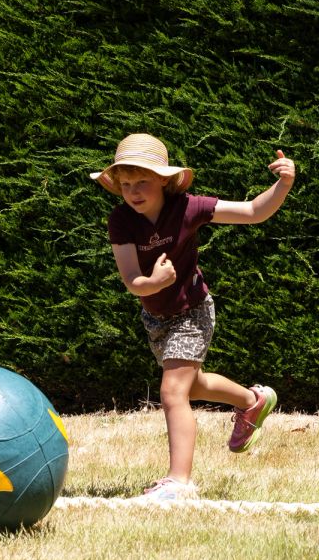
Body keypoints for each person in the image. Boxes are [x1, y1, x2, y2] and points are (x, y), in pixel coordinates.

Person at [91, 133, 296, 500]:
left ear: (165, 180)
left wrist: (283, 183)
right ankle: (253, 402)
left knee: (172, 391)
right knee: (192, 386)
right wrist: (152, 282)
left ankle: (179, 482)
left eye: (143, 181)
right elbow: (132, 281)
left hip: (193, 310)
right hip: (156, 318)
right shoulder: (121, 221)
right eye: (125, 184)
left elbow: (253, 212)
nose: (133, 191)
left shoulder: (188, 207)